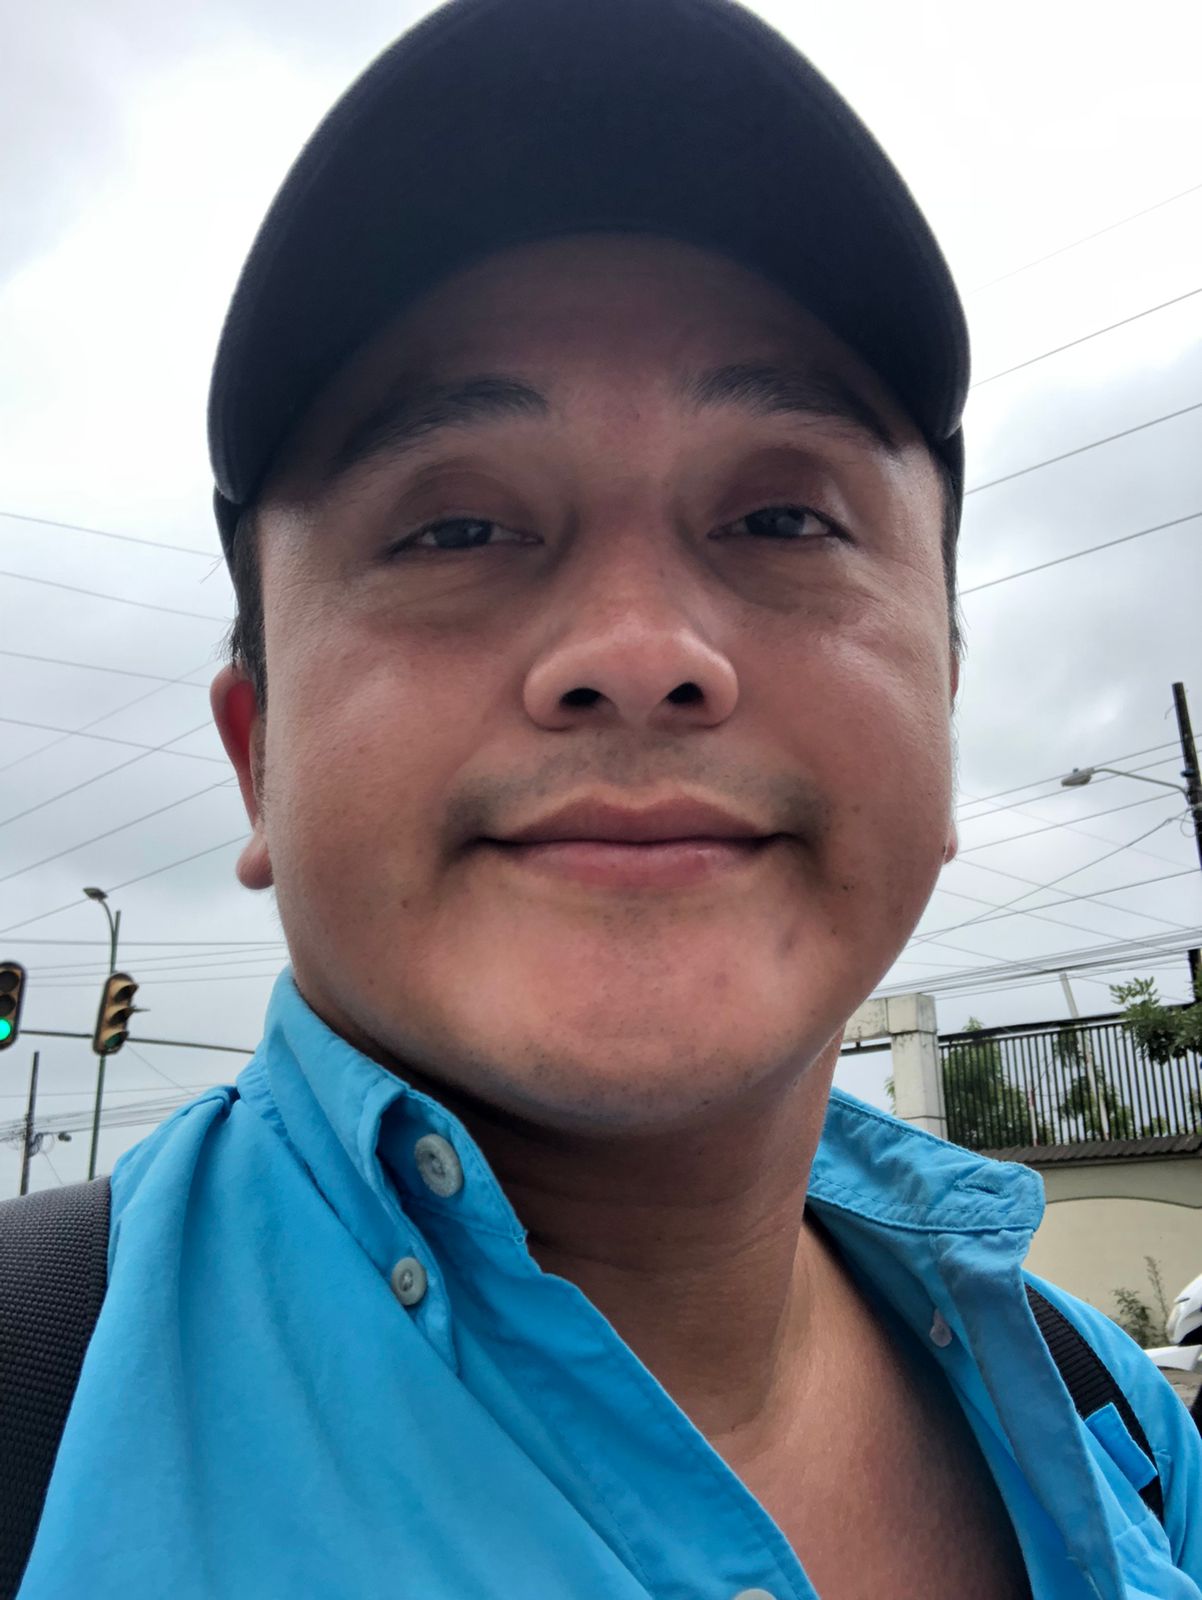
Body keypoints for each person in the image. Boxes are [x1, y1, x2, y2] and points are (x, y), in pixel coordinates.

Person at [16, 1, 1201, 1595]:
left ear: (940, 709)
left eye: (782, 516)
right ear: (256, 757)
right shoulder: (31, 1412)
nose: (640, 656)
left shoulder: (1117, 1430)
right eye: (454, 530)